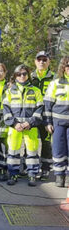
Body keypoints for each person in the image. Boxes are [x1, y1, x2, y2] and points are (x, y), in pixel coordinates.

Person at [3, 64, 43, 187]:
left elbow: (40, 109)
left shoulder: (36, 91)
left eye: (24, 74)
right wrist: (15, 124)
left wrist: (29, 123)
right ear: (15, 76)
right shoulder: (9, 91)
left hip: (30, 127)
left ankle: (32, 174)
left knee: (32, 151)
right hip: (15, 128)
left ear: (28, 75)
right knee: (13, 151)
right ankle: (13, 174)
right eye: (19, 74)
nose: (22, 76)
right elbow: (6, 110)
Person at [44, 56, 69, 187]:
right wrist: (48, 122)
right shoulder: (56, 83)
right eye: (68, 66)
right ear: (63, 68)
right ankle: (59, 176)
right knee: (58, 150)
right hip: (58, 122)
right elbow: (48, 104)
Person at [31, 51, 55, 180]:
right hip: (33, 116)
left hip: (47, 116)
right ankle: (31, 168)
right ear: (35, 62)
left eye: (44, 60)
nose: (41, 62)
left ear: (48, 62)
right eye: (39, 59)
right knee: (31, 142)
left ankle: (45, 168)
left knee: (46, 143)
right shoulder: (29, 76)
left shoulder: (55, 77)